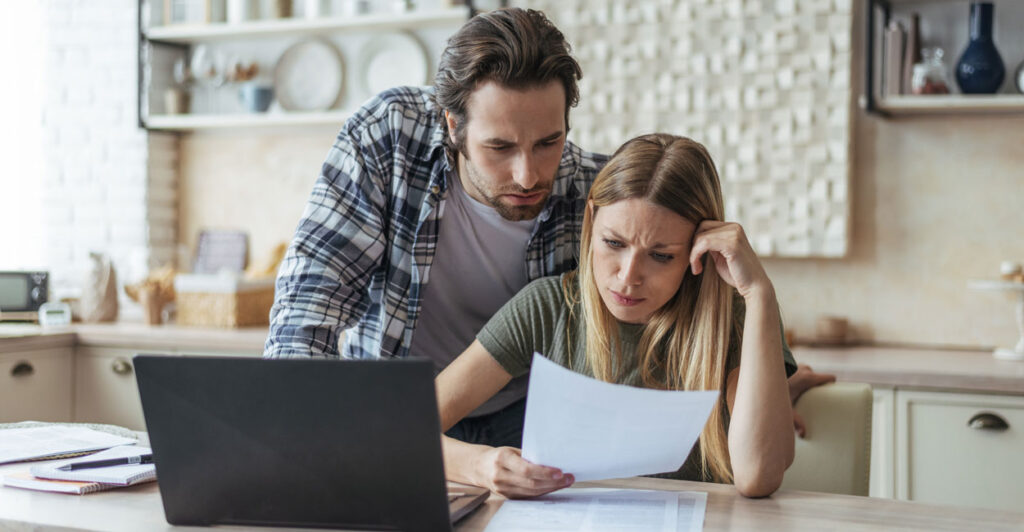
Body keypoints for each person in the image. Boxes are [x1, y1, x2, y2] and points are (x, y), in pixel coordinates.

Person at [264, 7, 830, 447]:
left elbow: (677, 307)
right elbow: (313, 297)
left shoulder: (595, 193)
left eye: (548, 142)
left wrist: (759, 390)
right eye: (499, 147)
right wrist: (286, 429)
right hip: (398, 409)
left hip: (529, 421)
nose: (529, 173)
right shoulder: (388, 138)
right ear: (453, 125)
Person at [436, 133, 794, 499]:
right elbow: (405, 428)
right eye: (614, 243)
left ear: (697, 251)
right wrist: (480, 465)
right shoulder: (547, 308)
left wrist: (759, 293)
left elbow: (758, 477)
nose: (628, 277)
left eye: (661, 255)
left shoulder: (736, 316)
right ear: (592, 218)